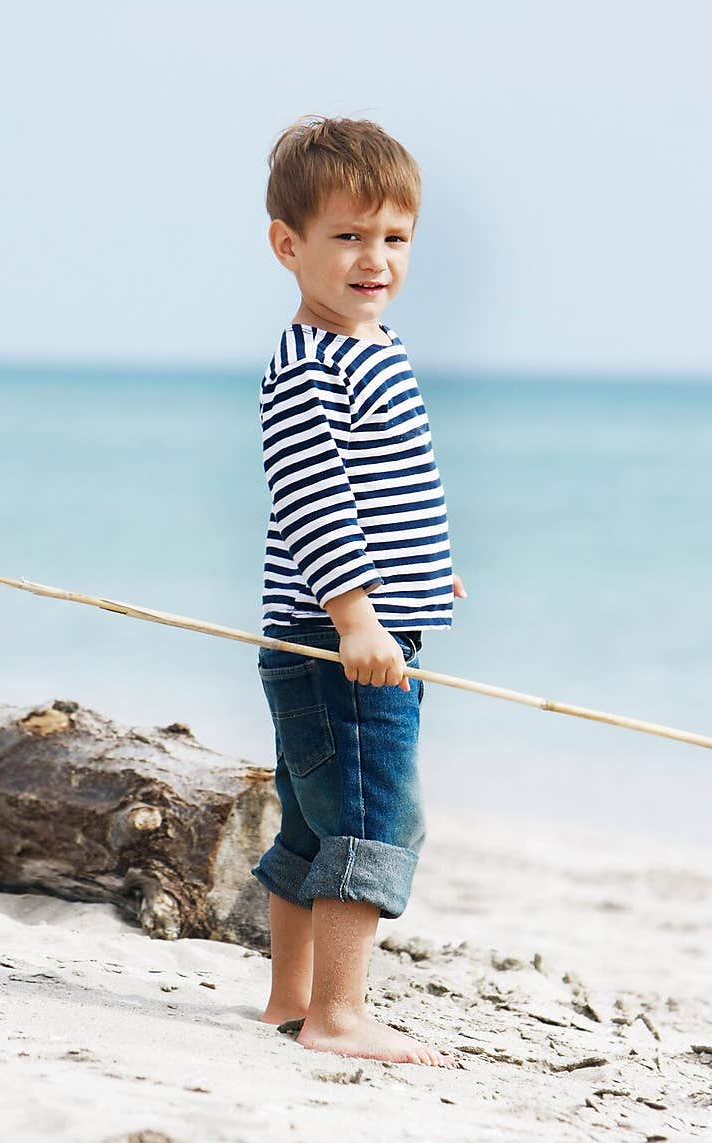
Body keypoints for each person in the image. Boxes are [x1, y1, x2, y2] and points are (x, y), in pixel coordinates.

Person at [251, 115, 467, 1065]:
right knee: (375, 815)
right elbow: (313, 499)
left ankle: (287, 1000)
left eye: (393, 238)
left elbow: (389, 486)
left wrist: (428, 568)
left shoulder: (375, 346)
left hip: (360, 630)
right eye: (347, 236)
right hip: (334, 640)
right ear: (288, 246)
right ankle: (337, 1016)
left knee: (313, 813)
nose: (373, 258)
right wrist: (359, 618)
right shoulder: (308, 362)